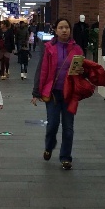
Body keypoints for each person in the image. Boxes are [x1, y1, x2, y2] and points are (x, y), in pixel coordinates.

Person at [31, 17, 84, 170]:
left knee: (68, 127)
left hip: (69, 93)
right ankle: (49, 146)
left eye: (66, 27)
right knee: (53, 124)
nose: (64, 30)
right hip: (53, 93)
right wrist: (36, 92)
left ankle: (65, 157)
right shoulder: (49, 48)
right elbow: (41, 69)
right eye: (61, 28)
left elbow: (82, 71)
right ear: (55, 30)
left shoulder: (77, 49)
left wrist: (82, 71)